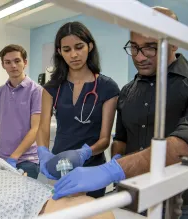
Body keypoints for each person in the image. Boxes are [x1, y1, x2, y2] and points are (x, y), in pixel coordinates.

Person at [50, 7, 188, 218]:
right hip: (134, 196)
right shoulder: (127, 91)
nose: (139, 57)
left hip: (183, 202)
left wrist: (110, 170)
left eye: (150, 48)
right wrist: (116, 161)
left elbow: (186, 144)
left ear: (174, 43)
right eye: (134, 47)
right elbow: (122, 139)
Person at [36, 21, 120, 198]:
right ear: (59, 52)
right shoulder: (52, 88)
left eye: (79, 47)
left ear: (90, 46)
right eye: (66, 50)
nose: (73, 55)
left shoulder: (107, 88)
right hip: (59, 167)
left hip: (92, 171)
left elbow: (105, 139)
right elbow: (43, 127)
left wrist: (85, 152)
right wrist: (43, 152)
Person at [0, 44, 42, 179]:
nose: (13, 66)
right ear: (3, 65)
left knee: (24, 199)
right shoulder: (1, 91)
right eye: (8, 62)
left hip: (27, 160)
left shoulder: (36, 91)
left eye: (17, 61)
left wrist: (14, 157)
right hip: (2, 158)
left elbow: (36, 129)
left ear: (25, 63)